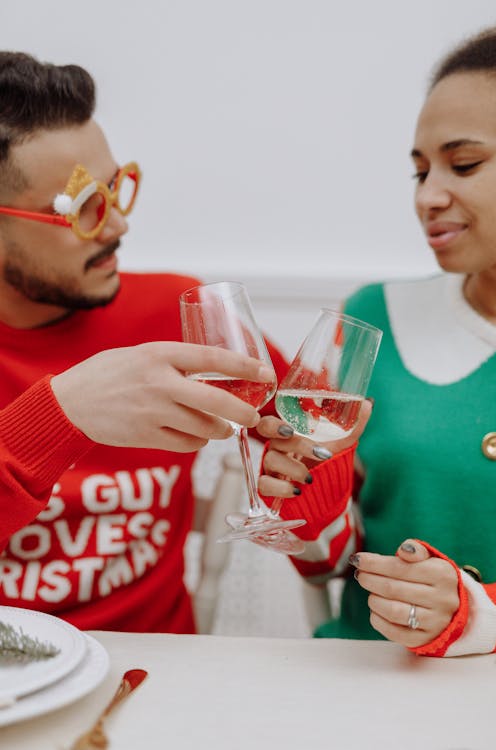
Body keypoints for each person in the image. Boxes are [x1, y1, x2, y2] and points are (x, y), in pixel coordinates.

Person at [0, 51, 302, 633]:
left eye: (117, 191)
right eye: (85, 208)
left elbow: (316, 428)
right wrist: (61, 414)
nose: (117, 226)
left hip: (155, 675)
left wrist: (301, 466)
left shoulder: (177, 312)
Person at [257, 24, 496, 657]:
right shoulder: (374, 316)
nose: (428, 196)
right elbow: (327, 564)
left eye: (464, 163)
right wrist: (307, 501)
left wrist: (482, 614)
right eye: (420, 171)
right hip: (375, 681)